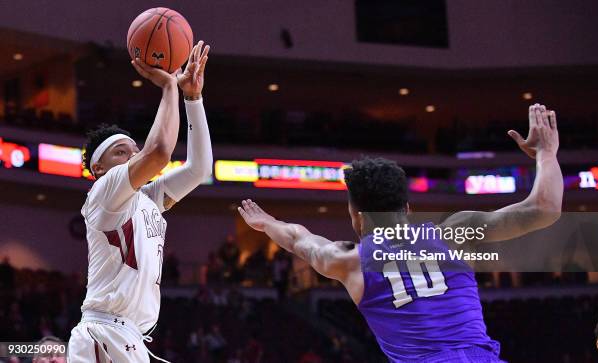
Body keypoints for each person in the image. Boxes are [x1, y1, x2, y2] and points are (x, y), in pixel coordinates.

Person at [239, 104, 563, 362]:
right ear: (407, 208)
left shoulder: (349, 261)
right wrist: (547, 153)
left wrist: (267, 222)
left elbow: (299, 238)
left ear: (357, 217)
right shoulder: (455, 232)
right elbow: (544, 208)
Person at [68, 41, 213, 363]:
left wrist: (193, 97)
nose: (133, 155)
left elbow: (200, 169)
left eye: (134, 150)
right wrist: (168, 88)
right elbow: (159, 151)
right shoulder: (105, 190)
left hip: (131, 338)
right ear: (99, 168)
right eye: (121, 151)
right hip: (104, 333)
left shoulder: (146, 199)